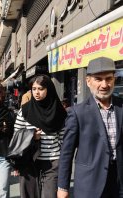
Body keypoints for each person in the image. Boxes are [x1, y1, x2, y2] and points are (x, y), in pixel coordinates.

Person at [58, 57, 123, 198]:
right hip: (90, 184)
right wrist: (63, 186)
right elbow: (66, 153)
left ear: (114, 79)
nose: (104, 84)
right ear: (88, 81)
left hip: (119, 183)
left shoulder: (121, 107)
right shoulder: (77, 113)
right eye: (98, 79)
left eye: (108, 79)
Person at [14, 74, 67, 198]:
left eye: (41, 89)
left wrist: (64, 164)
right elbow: (17, 135)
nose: (36, 92)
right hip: (29, 161)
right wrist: (32, 137)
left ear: (49, 89)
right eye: (34, 89)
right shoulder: (25, 110)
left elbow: (63, 140)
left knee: (49, 195)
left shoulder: (59, 112)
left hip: (52, 162)